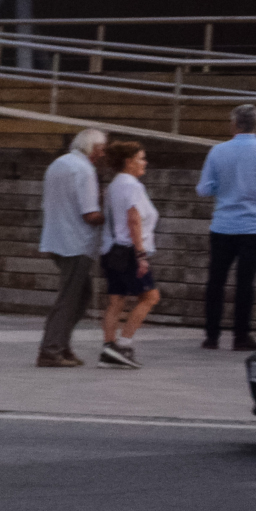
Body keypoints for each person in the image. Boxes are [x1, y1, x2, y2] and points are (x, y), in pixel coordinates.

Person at [195, 103, 256, 350]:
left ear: (234, 123)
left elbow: (204, 188)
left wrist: (224, 188)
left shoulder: (218, 151)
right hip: (254, 225)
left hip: (223, 224)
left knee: (216, 281)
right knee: (246, 283)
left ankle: (211, 335)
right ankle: (240, 335)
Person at [34, 128, 107, 368]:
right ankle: (51, 348)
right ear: (93, 148)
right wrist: (110, 215)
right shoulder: (85, 170)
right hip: (76, 241)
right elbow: (90, 214)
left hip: (56, 238)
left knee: (80, 295)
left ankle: (61, 345)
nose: (103, 154)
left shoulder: (59, 163)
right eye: (101, 149)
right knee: (70, 298)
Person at [97, 141, 160, 368]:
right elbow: (134, 220)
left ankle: (108, 348)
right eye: (141, 158)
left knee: (116, 301)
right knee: (150, 297)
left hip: (111, 251)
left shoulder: (115, 185)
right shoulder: (132, 186)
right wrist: (141, 255)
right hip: (128, 251)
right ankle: (124, 345)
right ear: (128, 161)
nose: (145, 162)